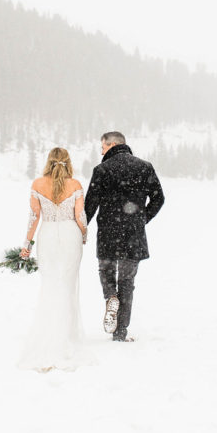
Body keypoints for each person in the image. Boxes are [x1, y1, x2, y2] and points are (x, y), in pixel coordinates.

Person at [16, 147, 94, 372]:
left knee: (50, 284)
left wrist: (27, 244)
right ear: (67, 162)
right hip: (70, 235)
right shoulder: (76, 185)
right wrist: (84, 234)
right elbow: (80, 215)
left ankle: (48, 333)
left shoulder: (38, 184)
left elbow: (34, 217)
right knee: (68, 285)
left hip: (48, 235)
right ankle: (67, 336)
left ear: (49, 162)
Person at [85, 131, 164, 342]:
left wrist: (81, 229)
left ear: (112, 144)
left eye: (102, 147)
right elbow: (159, 198)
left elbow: (90, 205)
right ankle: (120, 333)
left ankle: (110, 297)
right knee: (127, 282)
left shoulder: (102, 170)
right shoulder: (144, 167)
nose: (101, 151)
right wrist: (141, 219)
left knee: (106, 272)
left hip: (108, 233)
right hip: (133, 234)